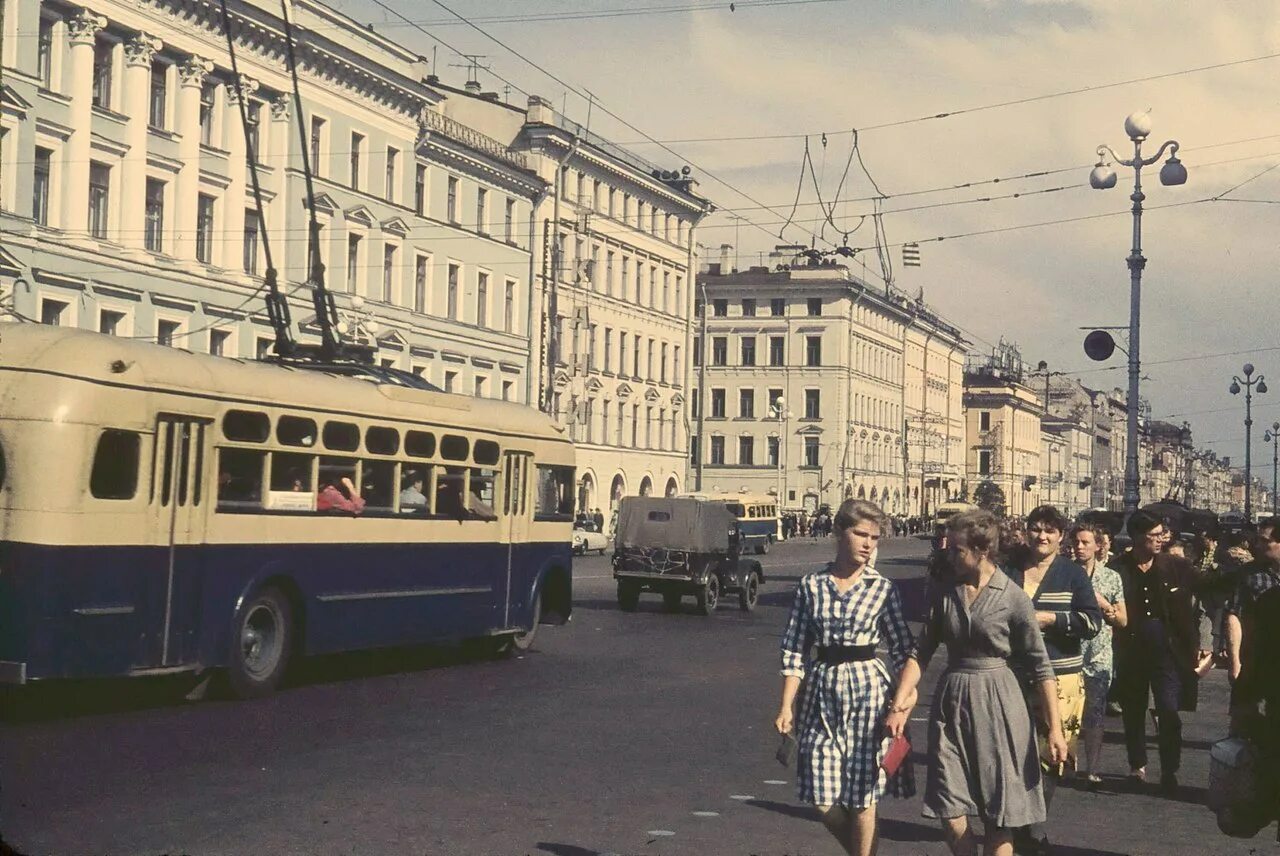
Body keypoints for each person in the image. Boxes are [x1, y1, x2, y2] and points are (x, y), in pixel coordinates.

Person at [886, 510, 1067, 856]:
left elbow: (1041, 667)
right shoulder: (945, 593)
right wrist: (899, 703)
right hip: (951, 706)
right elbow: (920, 651)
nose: (948, 554)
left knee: (998, 815)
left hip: (1000, 705)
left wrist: (1055, 730)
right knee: (949, 808)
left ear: (982, 550)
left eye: (956, 549)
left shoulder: (1012, 597)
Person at [775, 499, 915, 856]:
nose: (868, 544)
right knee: (821, 797)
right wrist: (786, 705)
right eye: (860, 534)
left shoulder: (882, 589)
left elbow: (905, 652)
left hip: (869, 694)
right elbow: (794, 649)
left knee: (862, 796)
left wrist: (902, 706)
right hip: (820, 694)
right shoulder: (811, 586)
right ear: (839, 533)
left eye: (874, 537)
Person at [1005, 506, 1101, 854]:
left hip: (1062, 676)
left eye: (1050, 531)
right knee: (1013, 753)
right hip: (1013, 675)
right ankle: (1016, 825)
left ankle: (1032, 826)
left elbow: (1092, 624)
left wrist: (1052, 620)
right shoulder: (1009, 570)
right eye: (1035, 529)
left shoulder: (1072, 574)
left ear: (1061, 536)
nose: (1041, 537)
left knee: (1051, 755)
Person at [1110, 510, 1212, 795]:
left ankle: (1170, 769)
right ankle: (1137, 767)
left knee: (1169, 711)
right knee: (1133, 711)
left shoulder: (1175, 566)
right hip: (1131, 650)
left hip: (1168, 651)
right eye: (1154, 535)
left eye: (1161, 534)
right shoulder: (1118, 568)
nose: (1160, 540)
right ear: (1137, 538)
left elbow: (1208, 587)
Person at [1069, 523, 1127, 787]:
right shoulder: (1063, 574)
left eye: (1085, 542)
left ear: (1098, 546)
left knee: (1095, 712)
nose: (1079, 547)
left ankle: (1092, 768)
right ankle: (1068, 764)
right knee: (1067, 711)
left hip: (1099, 653)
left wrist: (1105, 605)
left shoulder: (1111, 577)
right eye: (1076, 542)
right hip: (1068, 651)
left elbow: (1123, 620)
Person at [1223, 518, 1280, 683]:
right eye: (1258, 540)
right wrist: (1234, 662)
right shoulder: (1249, 574)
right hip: (1257, 658)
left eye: (1265, 541)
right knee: (1245, 707)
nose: (1258, 545)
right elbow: (1234, 615)